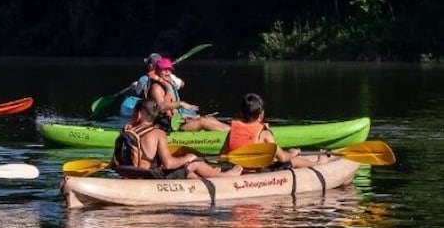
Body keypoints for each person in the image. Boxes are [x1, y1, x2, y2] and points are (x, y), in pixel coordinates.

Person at [111, 99, 242, 179]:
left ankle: (206, 179)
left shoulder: (125, 131)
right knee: (194, 163)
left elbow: (114, 163)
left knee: (188, 174)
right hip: (148, 178)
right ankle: (225, 177)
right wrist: (188, 157)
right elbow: (169, 164)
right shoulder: (158, 133)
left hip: (128, 175)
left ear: (138, 114)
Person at [223, 93, 329, 168]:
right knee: (294, 161)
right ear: (261, 115)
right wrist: (293, 153)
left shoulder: (232, 131)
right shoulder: (265, 134)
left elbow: (223, 156)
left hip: (237, 169)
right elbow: (283, 158)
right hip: (256, 172)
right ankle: (319, 164)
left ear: (241, 113)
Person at [147, 56, 230, 133]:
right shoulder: (156, 88)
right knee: (203, 122)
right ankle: (233, 136)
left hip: (176, 122)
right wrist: (181, 103)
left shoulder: (168, 85)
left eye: (169, 70)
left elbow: (174, 113)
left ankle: (235, 133)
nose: (168, 72)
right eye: (164, 70)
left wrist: (188, 116)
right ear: (157, 71)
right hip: (168, 128)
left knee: (208, 118)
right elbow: (161, 107)